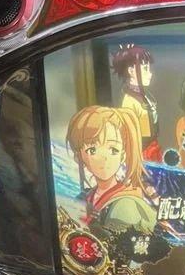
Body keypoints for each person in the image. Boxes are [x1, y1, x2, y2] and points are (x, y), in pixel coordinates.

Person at [65, 105, 157, 251]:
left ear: (123, 155)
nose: (104, 158)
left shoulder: (126, 204)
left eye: (113, 150)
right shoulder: (85, 197)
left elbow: (121, 253)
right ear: (79, 157)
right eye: (92, 150)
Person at [111, 44, 161, 161]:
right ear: (131, 71)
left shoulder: (144, 95)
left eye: (149, 69)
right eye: (145, 69)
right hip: (142, 155)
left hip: (153, 150)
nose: (150, 74)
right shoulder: (129, 101)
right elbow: (130, 138)